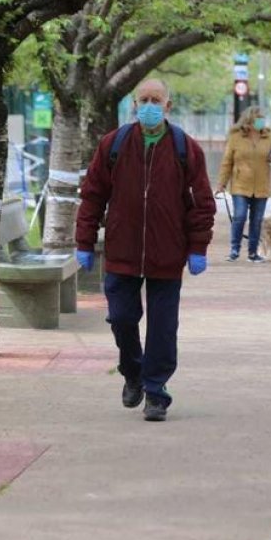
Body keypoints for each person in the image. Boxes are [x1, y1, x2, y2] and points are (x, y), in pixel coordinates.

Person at [75, 79, 216, 422]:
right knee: (122, 318)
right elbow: (93, 195)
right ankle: (132, 370)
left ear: (168, 106)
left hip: (167, 254)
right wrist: (84, 240)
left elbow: (202, 202)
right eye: (143, 100)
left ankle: (156, 391)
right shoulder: (114, 144)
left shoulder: (186, 148)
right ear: (134, 105)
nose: (149, 105)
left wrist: (198, 246)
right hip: (122, 252)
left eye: (156, 100)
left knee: (163, 328)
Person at [217, 106, 271, 262]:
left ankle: (253, 253)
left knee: (256, 220)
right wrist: (222, 183)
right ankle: (234, 250)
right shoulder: (236, 137)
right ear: (249, 120)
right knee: (239, 216)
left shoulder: (269, 136)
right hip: (240, 185)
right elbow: (227, 161)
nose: (261, 120)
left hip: (261, 186)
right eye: (258, 118)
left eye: (262, 117)